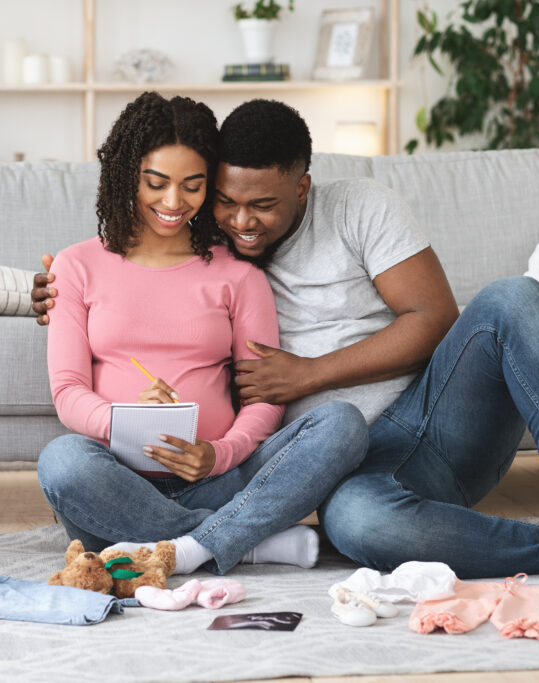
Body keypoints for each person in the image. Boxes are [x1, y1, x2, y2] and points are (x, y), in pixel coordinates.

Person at [35, 99, 539, 595]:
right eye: (226, 201)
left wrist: (306, 375)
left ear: (302, 185)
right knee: (356, 526)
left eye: (264, 205)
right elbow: (132, 270)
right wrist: (49, 291)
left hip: (432, 417)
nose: (243, 221)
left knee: (513, 297)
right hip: (357, 470)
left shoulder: (354, 209)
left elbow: (435, 316)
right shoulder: (215, 247)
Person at [37, 92, 368, 577]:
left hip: (223, 478)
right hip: (118, 483)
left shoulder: (239, 274)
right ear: (128, 174)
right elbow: (67, 393)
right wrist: (124, 419)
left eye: (192, 186)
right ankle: (241, 541)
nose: (173, 203)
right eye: (156, 183)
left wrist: (218, 454)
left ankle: (180, 543)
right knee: (62, 462)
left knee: (342, 424)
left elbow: (265, 399)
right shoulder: (76, 266)